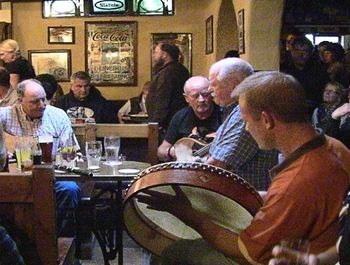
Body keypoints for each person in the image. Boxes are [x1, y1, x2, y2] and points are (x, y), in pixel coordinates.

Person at [139, 71, 350, 265]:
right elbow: (307, 200)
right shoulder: (334, 148)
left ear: (266, 120)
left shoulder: (295, 179)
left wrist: (188, 214)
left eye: (246, 121)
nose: (246, 128)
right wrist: (244, 196)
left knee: (171, 253)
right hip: (317, 251)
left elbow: (245, 251)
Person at [0, 79, 80, 236]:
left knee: (70, 189)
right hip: (17, 178)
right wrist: (5, 149)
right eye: (35, 102)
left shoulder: (57, 115)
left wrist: (69, 153)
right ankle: (18, 241)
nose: (42, 105)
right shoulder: (5, 114)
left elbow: (71, 149)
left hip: (52, 176)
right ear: (20, 100)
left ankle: (55, 240)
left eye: (44, 99)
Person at [206, 58, 278, 191]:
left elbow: (216, 166)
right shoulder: (235, 110)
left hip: (245, 203)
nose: (209, 90)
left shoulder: (245, 112)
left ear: (234, 85)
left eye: (214, 84)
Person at [157, 76, 221, 162]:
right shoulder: (180, 117)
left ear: (211, 94)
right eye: (195, 96)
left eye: (205, 94)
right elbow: (161, 150)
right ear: (186, 98)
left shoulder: (223, 114)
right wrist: (170, 152)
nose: (201, 100)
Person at [146, 42, 190, 137]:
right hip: (176, 122)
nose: (154, 56)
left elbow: (162, 99)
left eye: (156, 52)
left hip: (167, 126)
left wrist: (156, 123)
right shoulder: (179, 69)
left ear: (165, 55)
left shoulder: (168, 73)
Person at [280, 36, 329, 115]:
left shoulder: (319, 71)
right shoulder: (284, 70)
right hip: (289, 111)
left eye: (305, 51)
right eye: (297, 50)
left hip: (313, 112)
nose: (301, 54)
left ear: (310, 53)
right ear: (291, 51)